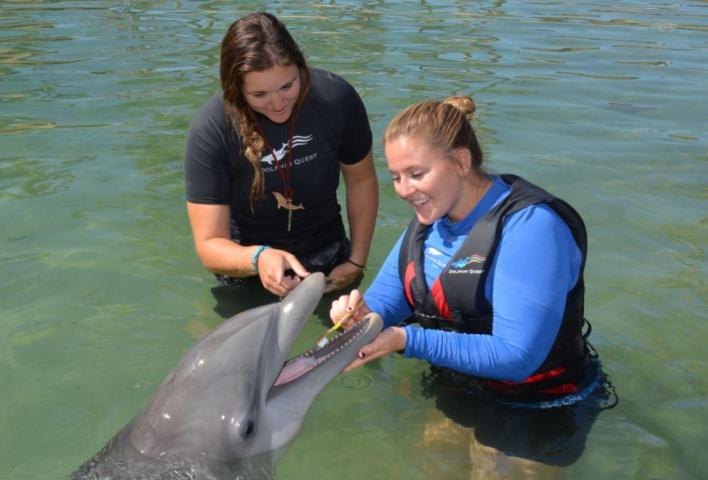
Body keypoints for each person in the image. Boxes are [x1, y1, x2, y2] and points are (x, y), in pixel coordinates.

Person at [330, 96, 615, 409]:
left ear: (461, 162)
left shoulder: (531, 228)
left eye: (417, 174)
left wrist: (407, 340)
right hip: (460, 390)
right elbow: (384, 307)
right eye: (396, 177)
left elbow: (517, 357)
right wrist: (357, 315)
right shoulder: (430, 219)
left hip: (541, 404)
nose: (403, 190)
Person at [184, 12, 378, 297]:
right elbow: (210, 243)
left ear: (301, 68)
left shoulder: (336, 99)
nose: (277, 104)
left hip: (330, 259)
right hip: (247, 272)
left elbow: (361, 181)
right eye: (259, 94)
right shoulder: (212, 128)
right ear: (235, 89)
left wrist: (355, 261)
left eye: (287, 86)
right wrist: (258, 258)